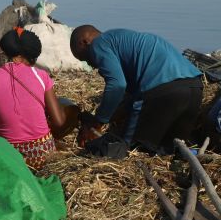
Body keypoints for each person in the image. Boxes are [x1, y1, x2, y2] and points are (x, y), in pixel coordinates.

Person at [70, 25, 203, 154]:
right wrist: (107, 119)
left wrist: (97, 122)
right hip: (194, 89)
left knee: (128, 150)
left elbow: (117, 85)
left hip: (163, 91)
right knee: (168, 150)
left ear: (84, 42)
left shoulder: (98, 44)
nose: (91, 65)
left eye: (86, 59)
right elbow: (129, 100)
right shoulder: (122, 41)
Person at [0, 28, 67, 170]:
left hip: (9, 156)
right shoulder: (41, 76)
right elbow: (59, 121)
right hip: (42, 155)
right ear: (26, 57)